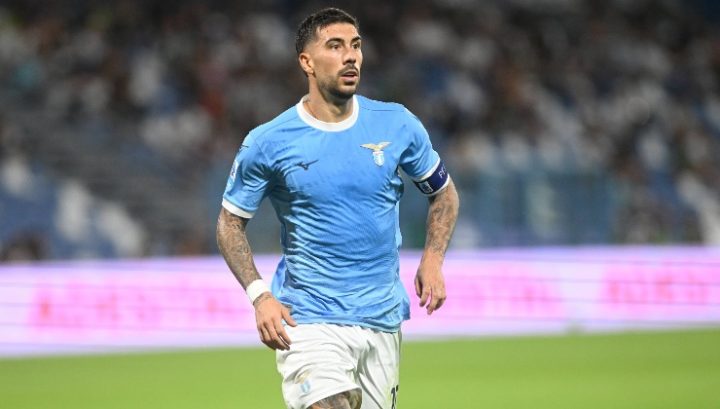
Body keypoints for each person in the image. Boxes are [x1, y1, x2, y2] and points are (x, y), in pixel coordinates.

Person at [216, 7, 459, 409]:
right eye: (335, 46)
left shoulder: (397, 124)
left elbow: (444, 193)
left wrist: (433, 258)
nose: (350, 56)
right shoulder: (268, 142)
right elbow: (229, 223)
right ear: (307, 62)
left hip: (381, 319)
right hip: (308, 318)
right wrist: (260, 296)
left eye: (355, 45)